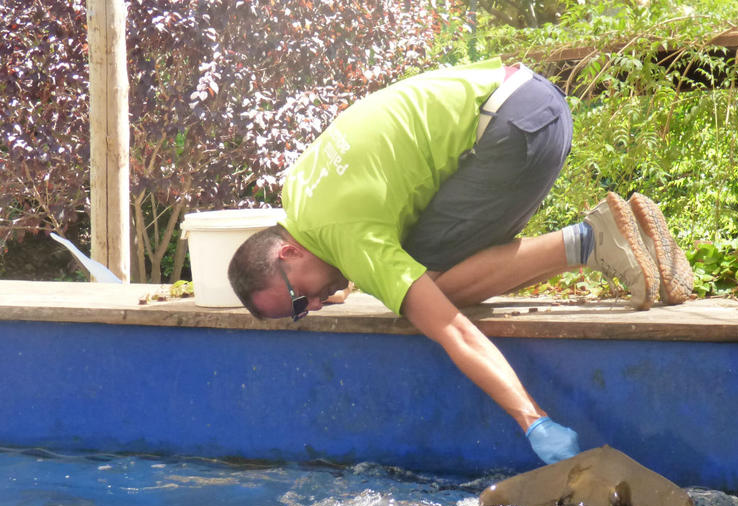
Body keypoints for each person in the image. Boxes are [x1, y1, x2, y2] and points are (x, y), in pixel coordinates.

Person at [228, 58, 693, 465]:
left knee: (430, 292)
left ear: (288, 252)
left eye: (296, 300)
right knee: (414, 278)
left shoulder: (342, 234)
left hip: (512, 129)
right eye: (298, 314)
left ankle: (591, 241)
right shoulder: (300, 196)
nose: (310, 307)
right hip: (528, 102)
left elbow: (453, 329)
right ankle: (610, 246)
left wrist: (534, 421)